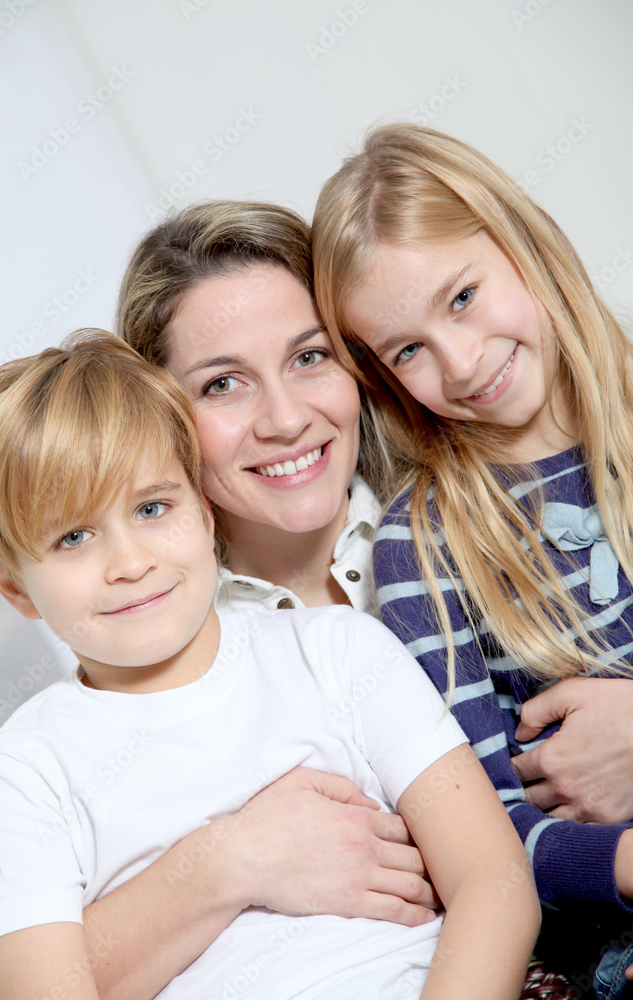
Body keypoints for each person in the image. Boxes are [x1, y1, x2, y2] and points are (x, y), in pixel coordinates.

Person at [0, 330, 540, 1000]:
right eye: (73, 537)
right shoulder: (19, 771)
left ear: (205, 511)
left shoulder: (337, 649)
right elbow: (9, 988)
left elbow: (492, 882)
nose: (129, 563)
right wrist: (224, 862)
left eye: (153, 508)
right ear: (10, 585)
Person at [311, 120, 633, 994]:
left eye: (461, 297)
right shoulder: (421, 550)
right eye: (406, 350)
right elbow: (492, 848)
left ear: (520, 241)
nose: (457, 363)